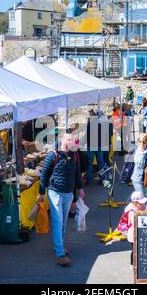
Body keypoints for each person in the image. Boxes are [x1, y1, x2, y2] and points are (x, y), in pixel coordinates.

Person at [39, 133, 85, 266]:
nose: (72, 142)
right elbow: (44, 175)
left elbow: (76, 174)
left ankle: (59, 245)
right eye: (69, 139)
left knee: (63, 222)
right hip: (55, 193)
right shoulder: (52, 155)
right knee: (58, 222)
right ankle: (60, 254)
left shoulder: (75, 155)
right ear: (62, 140)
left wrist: (80, 190)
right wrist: (42, 192)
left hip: (68, 193)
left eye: (73, 140)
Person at [123, 191, 147, 266]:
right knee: (135, 250)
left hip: (138, 233)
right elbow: (136, 223)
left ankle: (138, 262)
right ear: (135, 203)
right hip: (133, 235)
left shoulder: (139, 207)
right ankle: (132, 264)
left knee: (138, 249)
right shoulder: (132, 212)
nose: (143, 204)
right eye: (141, 203)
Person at [84, 110, 106, 186]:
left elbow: (86, 135)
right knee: (100, 162)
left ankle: (88, 180)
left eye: (90, 114)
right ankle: (103, 179)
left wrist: (83, 143)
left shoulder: (90, 124)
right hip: (99, 144)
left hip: (92, 145)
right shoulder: (100, 123)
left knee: (89, 162)